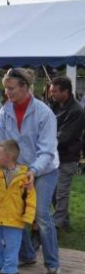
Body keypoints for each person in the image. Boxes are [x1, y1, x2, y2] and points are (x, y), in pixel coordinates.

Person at [0, 68, 60, 274]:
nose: (7, 92)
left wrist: (33, 170)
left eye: (11, 88)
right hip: (18, 170)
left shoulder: (44, 113)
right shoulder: (4, 112)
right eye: (5, 88)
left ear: (25, 87)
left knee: (40, 213)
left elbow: (47, 150)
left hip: (45, 169)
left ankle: (52, 263)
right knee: (15, 211)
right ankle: (28, 255)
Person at [0, 139, 37, 274]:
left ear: (9, 157)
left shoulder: (24, 178)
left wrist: (28, 216)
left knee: (12, 246)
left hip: (14, 218)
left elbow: (30, 198)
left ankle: (10, 268)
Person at [49, 76, 85, 233]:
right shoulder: (54, 105)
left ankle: (56, 226)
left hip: (67, 156)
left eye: (54, 91)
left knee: (61, 192)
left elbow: (65, 136)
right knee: (53, 191)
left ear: (66, 92)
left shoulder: (76, 111)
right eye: (51, 91)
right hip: (53, 155)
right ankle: (64, 220)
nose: (51, 94)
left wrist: (45, 143)